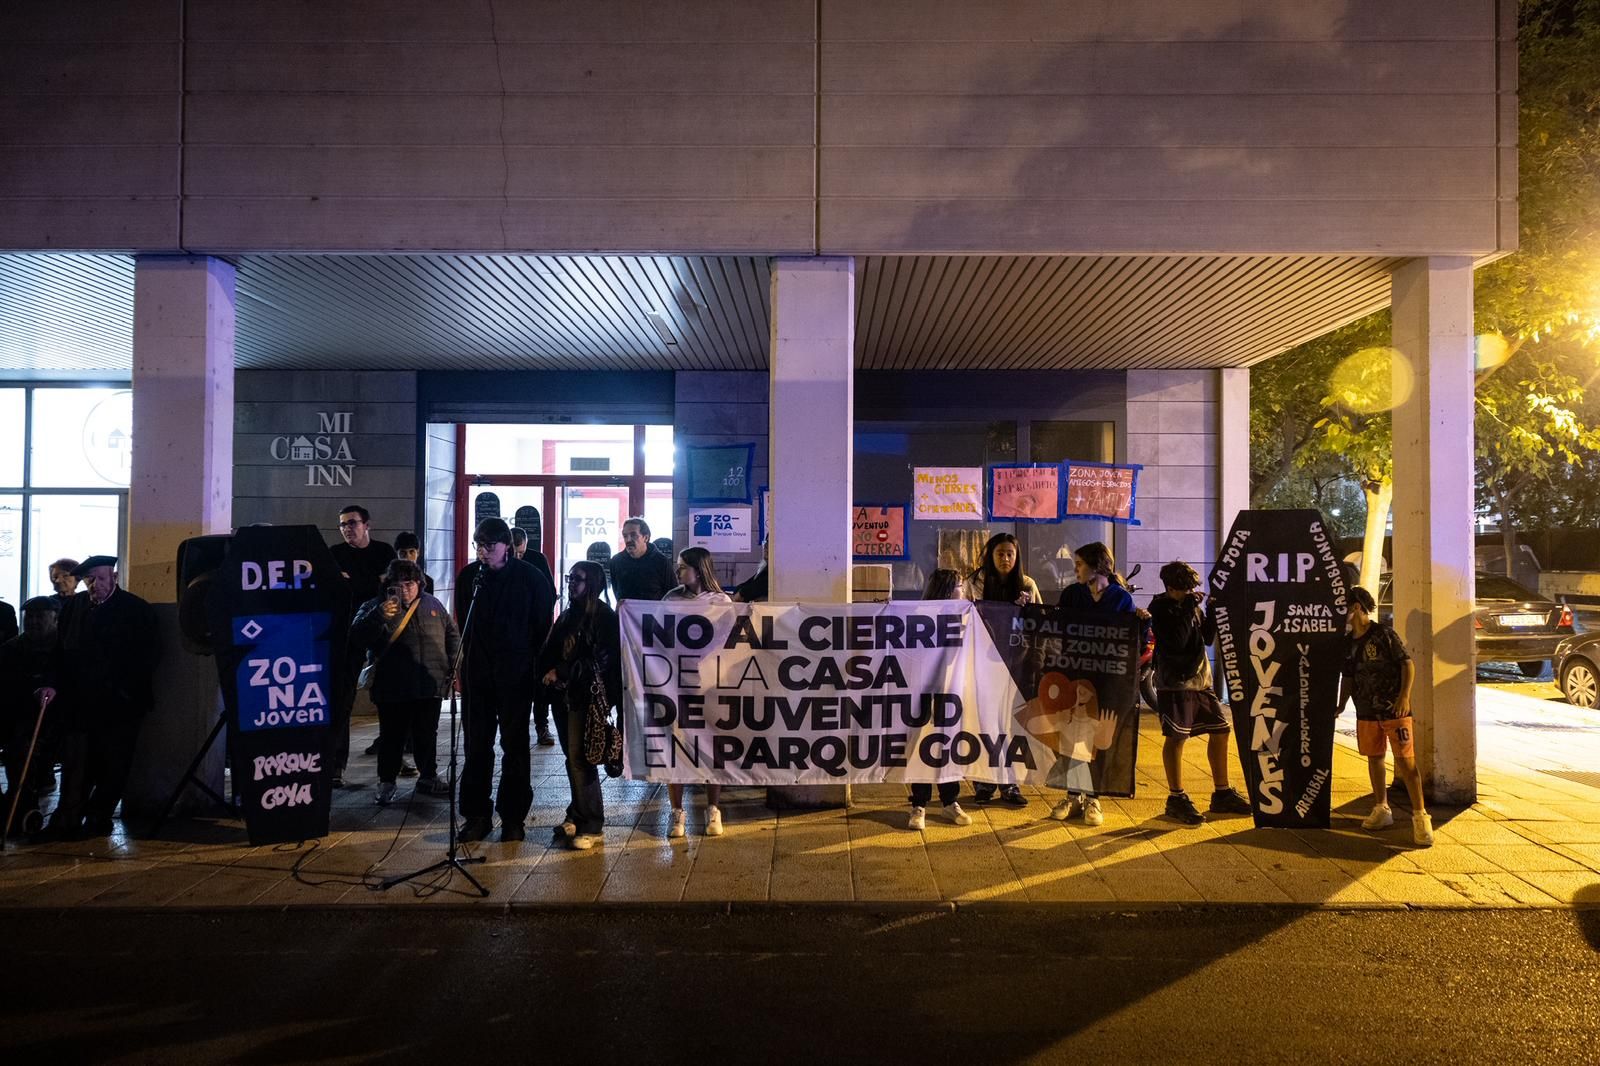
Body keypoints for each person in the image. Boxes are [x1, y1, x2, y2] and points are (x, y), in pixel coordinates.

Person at [40, 556, 159, 838]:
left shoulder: (135, 610)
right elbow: (60, 650)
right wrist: (52, 683)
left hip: (119, 703)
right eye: (89, 580)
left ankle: (98, 816)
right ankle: (71, 815)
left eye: (99, 579)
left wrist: (123, 690)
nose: (94, 585)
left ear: (114, 577)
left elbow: (147, 656)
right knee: (80, 761)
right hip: (82, 701)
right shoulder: (75, 608)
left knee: (114, 763)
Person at [454, 518, 557, 843]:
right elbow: (464, 623)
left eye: (489, 546)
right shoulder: (470, 577)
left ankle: (513, 817)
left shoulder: (530, 578)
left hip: (515, 675)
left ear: (506, 547)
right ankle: (476, 814)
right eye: (478, 545)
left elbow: (543, 626)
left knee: (514, 746)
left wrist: (536, 666)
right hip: (478, 675)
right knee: (476, 746)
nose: (482, 552)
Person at [1146, 561, 1250, 825]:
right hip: (1175, 683)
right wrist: (1188, 607)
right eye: (1185, 589)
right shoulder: (1160, 609)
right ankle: (1176, 796)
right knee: (1176, 737)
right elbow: (1177, 641)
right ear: (1171, 588)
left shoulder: (1189, 606)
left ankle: (1222, 792)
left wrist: (1211, 609)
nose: (1191, 592)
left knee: (1221, 730)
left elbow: (1205, 637)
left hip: (1201, 680)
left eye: (1193, 588)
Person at [351, 559, 459, 806]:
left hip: (428, 684)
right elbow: (357, 635)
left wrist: (452, 666)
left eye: (409, 583)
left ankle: (428, 776)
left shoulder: (433, 604)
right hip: (392, 687)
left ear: (419, 583)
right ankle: (386, 782)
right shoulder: (375, 606)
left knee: (426, 735)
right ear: (389, 585)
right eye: (398, 584)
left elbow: (452, 634)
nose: (405, 589)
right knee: (392, 737)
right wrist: (379, 616)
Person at [1049, 541, 1140, 827]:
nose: (1075, 569)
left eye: (1079, 564)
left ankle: (1093, 796)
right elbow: (1056, 628)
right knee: (1074, 737)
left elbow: (1128, 640)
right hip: (1076, 675)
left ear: (1097, 566)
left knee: (1098, 739)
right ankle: (1073, 794)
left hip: (1107, 679)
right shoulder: (1072, 594)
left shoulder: (1121, 599)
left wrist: (1143, 622)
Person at [1339, 586, 1432, 846]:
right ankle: (1381, 808)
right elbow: (1347, 676)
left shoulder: (1383, 634)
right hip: (1366, 711)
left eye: (1344, 607)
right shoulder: (1348, 643)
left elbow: (1407, 663)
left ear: (1356, 607)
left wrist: (1404, 697)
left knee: (1407, 763)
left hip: (1394, 709)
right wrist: (1341, 703)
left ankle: (1420, 817)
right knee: (1375, 758)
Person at [539, 560, 621, 851]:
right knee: (571, 757)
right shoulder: (568, 615)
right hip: (563, 696)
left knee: (581, 759)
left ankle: (591, 824)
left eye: (579, 579)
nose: (572, 583)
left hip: (585, 698)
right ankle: (576, 813)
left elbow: (602, 660)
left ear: (594, 583)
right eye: (570, 577)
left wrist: (561, 672)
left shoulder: (604, 617)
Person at [661, 547, 732, 837]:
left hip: (709, 685)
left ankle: (713, 809)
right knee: (674, 749)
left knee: (711, 749)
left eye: (682, 567)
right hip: (676, 683)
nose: (678, 572)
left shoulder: (721, 602)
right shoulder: (670, 598)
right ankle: (677, 812)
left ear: (698, 570)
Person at [967, 533, 1039, 807]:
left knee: (1011, 725)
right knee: (984, 723)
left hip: (1015, 665)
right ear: (991, 555)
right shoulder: (975, 582)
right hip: (982, 664)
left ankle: (1010, 783)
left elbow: (1038, 623)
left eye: (1011, 553)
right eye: (1000, 553)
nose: (1006, 559)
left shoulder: (1027, 584)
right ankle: (984, 782)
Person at [328, 505, 397, 787]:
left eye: (352, 523)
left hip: (381, 631)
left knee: (390, 697)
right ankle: (335, 766)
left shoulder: (383, 552)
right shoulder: (335, 555)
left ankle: (393, 757)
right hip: (347, 633)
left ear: (367, 524)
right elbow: (337, 589)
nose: (347, 528)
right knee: (342, 698)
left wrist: (353, 582)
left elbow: (388, 587)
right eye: (342, 524)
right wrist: (369, 583)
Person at [907, 569, 974, 831]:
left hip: (952, 690)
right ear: (947, 590)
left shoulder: (968, 615)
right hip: (923, 690)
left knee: (948, 745)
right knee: (923, 744)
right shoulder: (919, 617)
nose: (963, 589)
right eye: (959, 585)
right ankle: (919, 804)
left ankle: (950, 801)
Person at [1, 597, 62, 836]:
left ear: (54, 618)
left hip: (54, 717)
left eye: (40, 617)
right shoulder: (12, 649)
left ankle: (23, 805)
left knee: (23, 748)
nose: (34, 622)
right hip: (17, 713)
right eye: (30, 617)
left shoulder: (64, 648)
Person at [508, 526, 557, 747]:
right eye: (514, 552)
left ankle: (541, 725)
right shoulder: (503, 563)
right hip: (512, 634)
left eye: (521, 552)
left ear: (526, 545)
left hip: (536, 632)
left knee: (539, 683)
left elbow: (550, 593)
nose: (518, 557)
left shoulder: (537, 559)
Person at [607, 517, 676, 601]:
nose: (628, 540)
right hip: (627, 613)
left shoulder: (661, 562)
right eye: (625, 536)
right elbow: (617, 592)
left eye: (633, 535)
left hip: (655, 613)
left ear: (646, 538)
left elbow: (672, 594)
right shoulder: (616, 561)